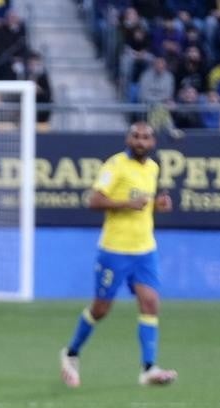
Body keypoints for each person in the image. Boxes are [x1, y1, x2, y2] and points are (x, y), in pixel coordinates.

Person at [59, 122, 177, 388]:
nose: (140, 141)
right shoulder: (115, 166)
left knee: (150, 303)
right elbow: (93, 200)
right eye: (135, 136)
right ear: (128, 139)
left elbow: (144, 205)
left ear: (153, 143)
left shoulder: (153, 168)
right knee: (101, 308)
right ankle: (71, 353)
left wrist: (157, 205)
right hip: (114, 251)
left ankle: (148, 368)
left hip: (145, 249)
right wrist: (126, 203)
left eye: (145, 138)